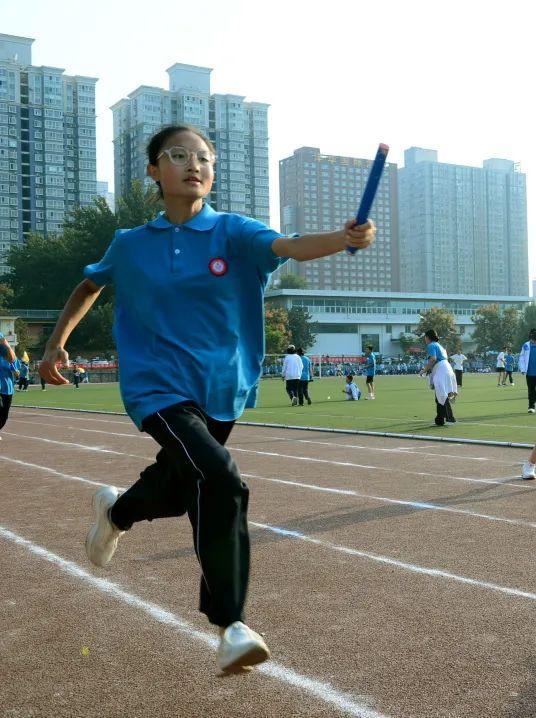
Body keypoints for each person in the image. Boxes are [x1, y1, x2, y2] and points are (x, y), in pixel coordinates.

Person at [38, 123, 376, 674]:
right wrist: (56, 344)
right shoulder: (130, 244)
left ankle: (116, 512)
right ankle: (231, 624)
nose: (194, 165)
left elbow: (290, 246)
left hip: (221, 389)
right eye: (178, 155)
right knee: (219, 478)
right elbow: (88, 286)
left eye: (204, 158)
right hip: (156, 389)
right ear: (153, 170)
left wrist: (343, 238)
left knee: (180, 483)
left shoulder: (234, 234)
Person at [420, 329, 457, 426]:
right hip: (446, 368)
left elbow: (433, 359)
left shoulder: (431, 345)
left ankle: (450, 418)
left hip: (441, 370)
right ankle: (440, 419)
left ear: (428, 337)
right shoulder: (439, 346)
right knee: (440, 396)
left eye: (425, 337)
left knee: (442, 395)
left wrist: (424, 370)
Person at [0, 332, 17, 438]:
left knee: (4, 414)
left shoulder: (6, 353)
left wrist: (6, 344)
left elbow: (13, 361)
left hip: (7, 387)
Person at [519, 329, 536, 413]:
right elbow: (521, 357)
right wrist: (522, 368)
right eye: (533, 340)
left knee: (533, 392)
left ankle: (533, 400)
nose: (533, 341)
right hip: (529, 372)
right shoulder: (526, 345)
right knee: (531, 390)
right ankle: (531, 406)